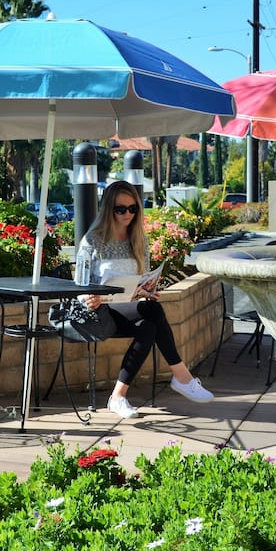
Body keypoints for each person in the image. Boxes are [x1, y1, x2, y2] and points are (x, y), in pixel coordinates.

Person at [76, 180, 214, 419]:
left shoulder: (139, 241)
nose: (127, 214)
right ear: (108, 208)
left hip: (127, 308)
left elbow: (140, 279)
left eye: (133, 209)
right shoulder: (93, 241)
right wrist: (89, 297)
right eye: (121, 209)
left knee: (150, 321)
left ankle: (118, 396)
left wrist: (146, 291)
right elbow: (78, 286)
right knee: (153, 313)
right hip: (99, 312)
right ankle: (182, 377)